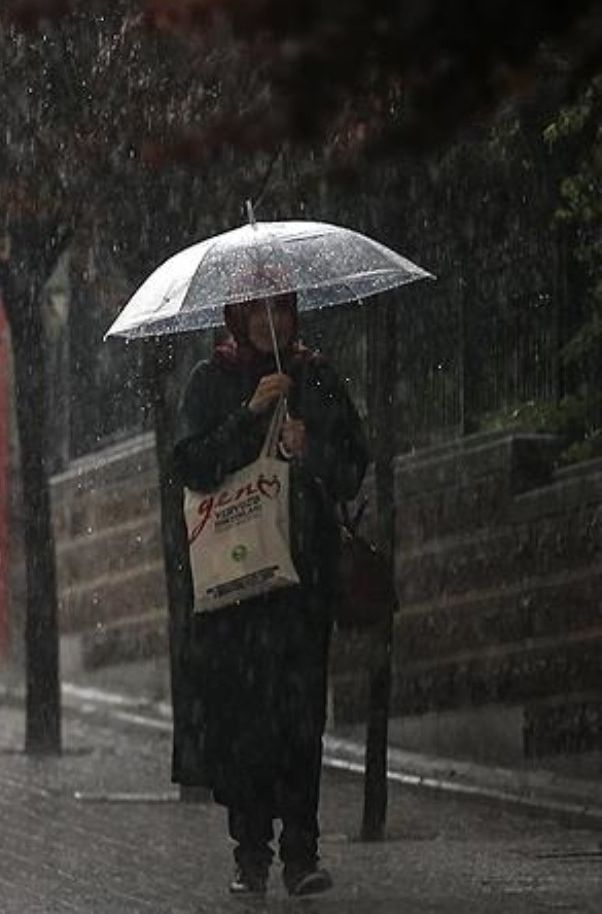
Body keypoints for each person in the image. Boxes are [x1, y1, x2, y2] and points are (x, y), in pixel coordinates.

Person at [173, 292, 368, 898]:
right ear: (237, 318)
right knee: (245, 720)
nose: (268, 322)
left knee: (301, 717)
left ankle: (301, 852)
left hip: (301, 583)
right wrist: (248, 417)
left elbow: (352, 468)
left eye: (279, 310)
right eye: (255, 312)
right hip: (236, 589)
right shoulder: (212, 380)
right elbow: (192, 465)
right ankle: (250, 851)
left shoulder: (315, 376)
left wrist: (312, 450)